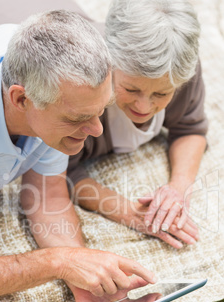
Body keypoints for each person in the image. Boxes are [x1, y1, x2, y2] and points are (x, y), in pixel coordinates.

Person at [0, 10, 156, 302]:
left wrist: (84, 273)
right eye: (79, 118)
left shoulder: (45, 75)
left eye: (101, 110)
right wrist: (57, 262)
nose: (97, 130)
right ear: (21, 99)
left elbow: (47, 197)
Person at [68, 0, 208, 249]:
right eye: (131, 89)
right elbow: (56, 174)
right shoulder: (77, 85)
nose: (143, 108)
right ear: (109, 63)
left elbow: (191, 129)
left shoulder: (179, 67)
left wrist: (177, 188)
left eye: (161, 94)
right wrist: (128, 211)